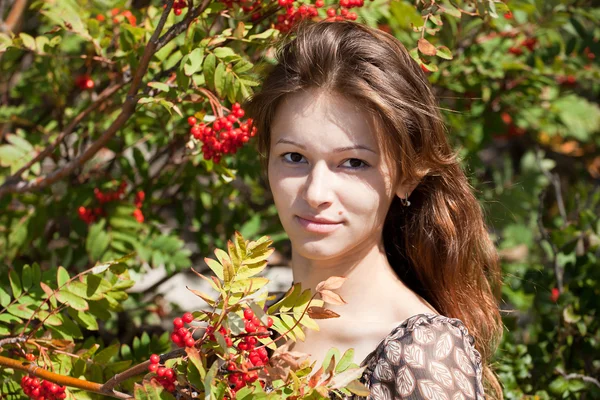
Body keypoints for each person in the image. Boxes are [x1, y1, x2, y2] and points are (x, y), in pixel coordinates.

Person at [243, 19, 503, 400]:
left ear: (407, 176)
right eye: (294, 157)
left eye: (353, 163)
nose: (316, 192)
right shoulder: (247, 335)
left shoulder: (424, 355)